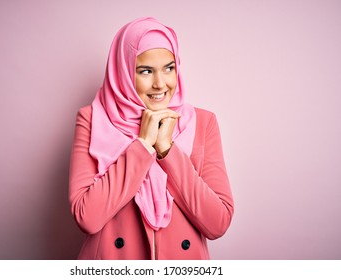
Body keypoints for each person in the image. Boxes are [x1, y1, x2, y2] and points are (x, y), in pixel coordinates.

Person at [69, 17, 234, 260]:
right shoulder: (92, 120)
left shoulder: (202, 122)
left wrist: (166, 150)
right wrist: (143, 146)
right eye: (145, 71)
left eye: (169, 68)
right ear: (122, 72)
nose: (160, 84)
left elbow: (218, 222)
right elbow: (87, 217)